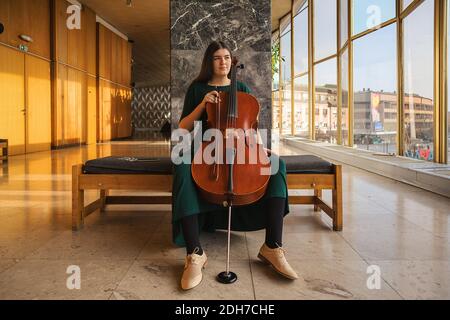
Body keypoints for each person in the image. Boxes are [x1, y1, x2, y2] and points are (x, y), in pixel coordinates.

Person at [173, 41, 300, 290]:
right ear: (209, 62)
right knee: (180, 166)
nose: (224, 62)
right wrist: (202, 105)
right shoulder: (197, 89)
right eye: (218, 58)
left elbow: (249, 126)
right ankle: (195, 253)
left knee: (276, 165)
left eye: (227, 57)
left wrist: (259, 149)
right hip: (206, 146)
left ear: (232, 61)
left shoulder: (240, 87)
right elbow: (182, 128)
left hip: (241, 145)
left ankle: (272, 246)